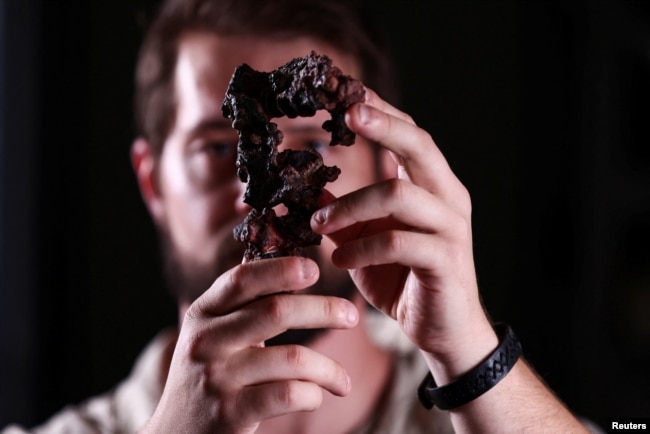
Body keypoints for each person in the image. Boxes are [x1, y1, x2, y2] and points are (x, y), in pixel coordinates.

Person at [3, 0, 601, 433]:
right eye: (216, 149)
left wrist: (470, 355)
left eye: (314, 146)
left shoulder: (494, 413)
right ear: (152, 181)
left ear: (385, 167)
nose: (259, 194)